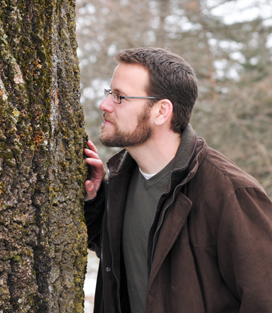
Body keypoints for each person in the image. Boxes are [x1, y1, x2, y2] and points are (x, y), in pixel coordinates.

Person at [84, 47, 272, 313]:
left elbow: (265, 299)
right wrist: (94, 198)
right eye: (108, 94)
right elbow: (121, 256)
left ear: (161, 111)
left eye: (119, 97)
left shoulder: (232, 193)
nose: (104, 105)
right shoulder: (121, 180)